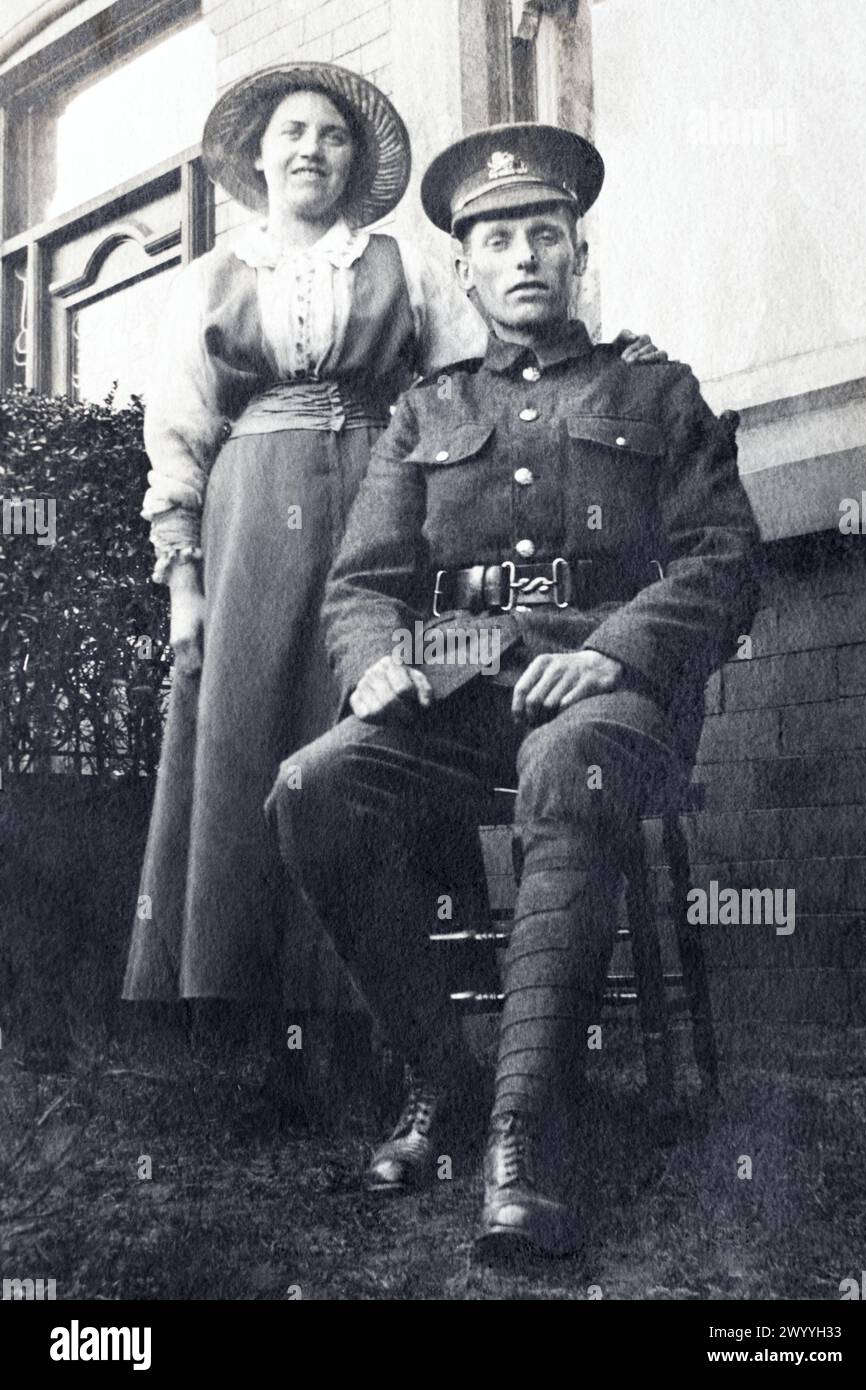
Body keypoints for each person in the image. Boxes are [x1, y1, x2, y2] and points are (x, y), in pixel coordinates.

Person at [266, 121, 761, 1257]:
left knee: (565, 759)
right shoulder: (426, 414)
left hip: (612, 696)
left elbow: (724, 561)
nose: (526, 255)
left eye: (547, 233)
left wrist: (619, 650)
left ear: (577, 254)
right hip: (463, 692)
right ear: (466, 268)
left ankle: (526, 1140)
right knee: (312, 786)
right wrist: (376, 656)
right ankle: (446, 1084)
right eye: (498, 239)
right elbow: (362, 583)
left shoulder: (655, 389)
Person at [123, 62, 666, 1017]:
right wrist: (185, 585)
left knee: (380, 714)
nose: (311, 150)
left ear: (355, 160)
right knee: (253, 733)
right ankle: (243, 1012)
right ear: (258, 154)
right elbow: (180, 427)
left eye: (332, 136)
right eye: (292, 132)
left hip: (389, 499)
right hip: (253, 513)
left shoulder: (402, 264)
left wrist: (621, 361)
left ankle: (381, 1023)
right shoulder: (211, 278)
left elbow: (494, 370)